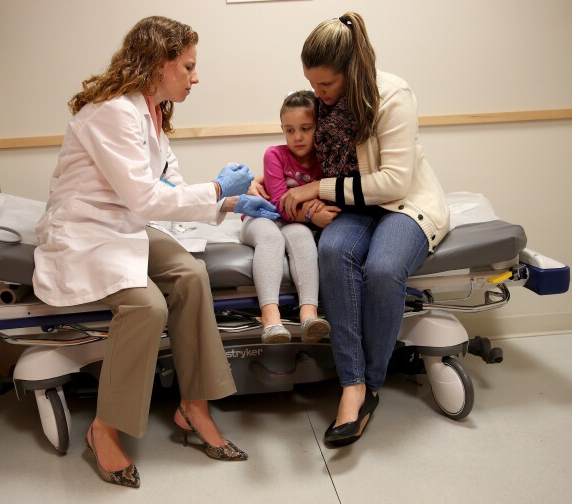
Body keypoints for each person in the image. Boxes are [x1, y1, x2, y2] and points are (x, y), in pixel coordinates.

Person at [32, 16, 278, 488]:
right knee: (146, 305)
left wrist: (228, 201)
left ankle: (195, 406)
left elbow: (172, 189)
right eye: (187, 66)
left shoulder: (153, 112)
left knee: (189, 274)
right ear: (157, 63)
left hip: (126, 226)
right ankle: (105, 428)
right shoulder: (111, 112)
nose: (195, 76)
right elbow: (146, 198)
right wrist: (215, 188)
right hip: (86, 232)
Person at [278, 12, 450, 447]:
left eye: (325, 86)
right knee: (333, 253)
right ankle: (351, 382)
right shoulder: (325, 102)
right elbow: (298, 152)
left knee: (384, 268)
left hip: (403, 205)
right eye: (311, 84)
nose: (318, 95)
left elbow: (393, 180)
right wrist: (277, 182)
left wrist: (318, 187)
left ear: (351, 70)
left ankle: (370, 385)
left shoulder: (393, 95)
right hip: (353, 206)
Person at [240, 91, 337, 344]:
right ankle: (271, 319)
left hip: (295, 222)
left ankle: (309, 315)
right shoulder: (274, 154)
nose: (298, 137)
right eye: (290, 130)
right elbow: (280, 203)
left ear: (319, 127)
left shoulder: (324, 159)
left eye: (306, 129)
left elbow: (330, 194)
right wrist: (311, 212)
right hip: (261, 215)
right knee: (272, 238)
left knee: (303, 237)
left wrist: (319, 203)